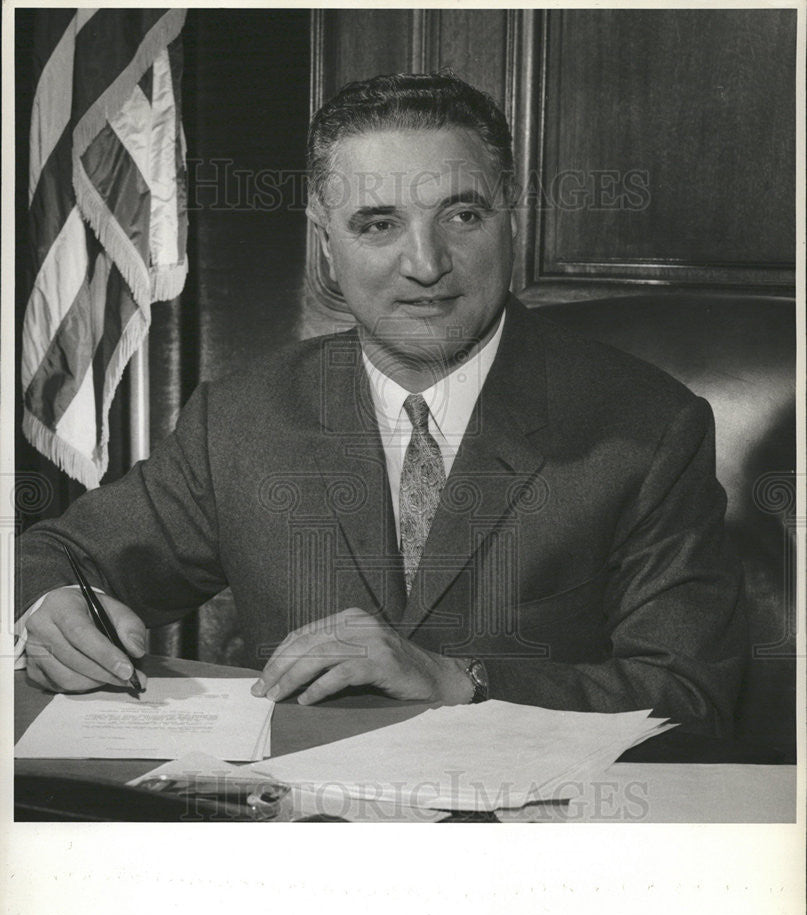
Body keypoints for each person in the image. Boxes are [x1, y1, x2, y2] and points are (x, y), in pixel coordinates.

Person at [16, 72, 746, 734]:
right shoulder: (240, 419)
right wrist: (51, 611)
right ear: (326, 246)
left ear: (512, 222)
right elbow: (54, 558)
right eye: (377, 223)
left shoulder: (648, 427)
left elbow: (690, 697)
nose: (425, 265)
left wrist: (462, 683)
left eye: (462, 215)